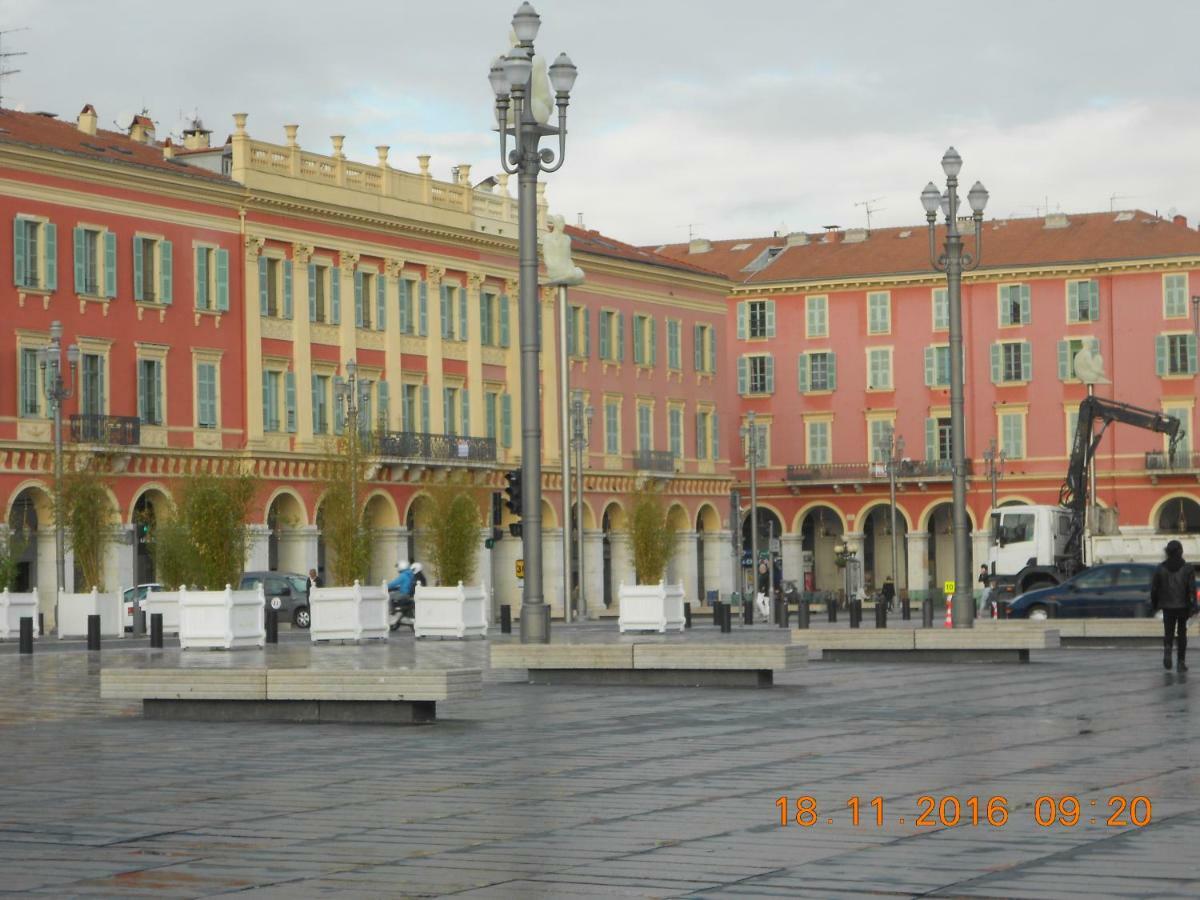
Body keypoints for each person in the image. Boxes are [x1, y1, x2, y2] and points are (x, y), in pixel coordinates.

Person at [1151, 540, 1197, 672]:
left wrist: (1155, 604)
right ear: (1180, 551)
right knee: (1182, 633)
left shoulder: (1160, 568)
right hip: (1183, 606)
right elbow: (1191, 589)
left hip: (1167, 606)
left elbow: (1154, 589)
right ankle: (1181, 663)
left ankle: (1167, 649)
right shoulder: (1188, 568)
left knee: (1168, 632)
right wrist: (1194, 605)